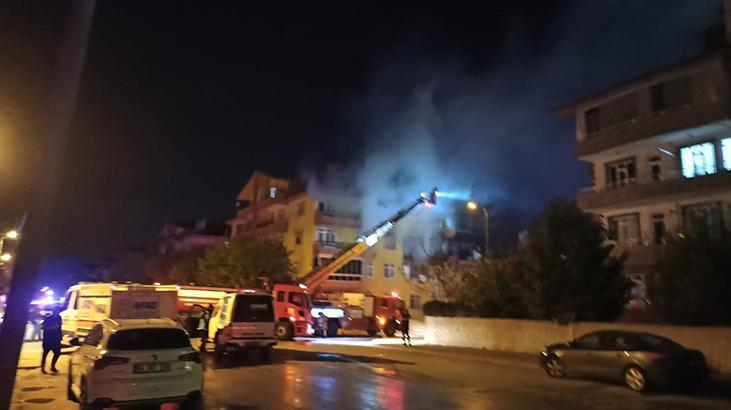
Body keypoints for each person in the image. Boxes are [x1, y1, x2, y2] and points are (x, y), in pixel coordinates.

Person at [41, 305, 63, 373]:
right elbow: (43, 327)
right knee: (45, 353)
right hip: (48, 339)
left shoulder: (59, 318)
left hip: (56, 339)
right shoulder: (48, 318)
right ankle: (43, 367)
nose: (58, 312)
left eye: (58, 310)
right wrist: (52, 328)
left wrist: (60, 336)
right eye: (57, 310)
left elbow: (59, 327)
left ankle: (53, 366)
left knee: (57, 353)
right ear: (54, 311)